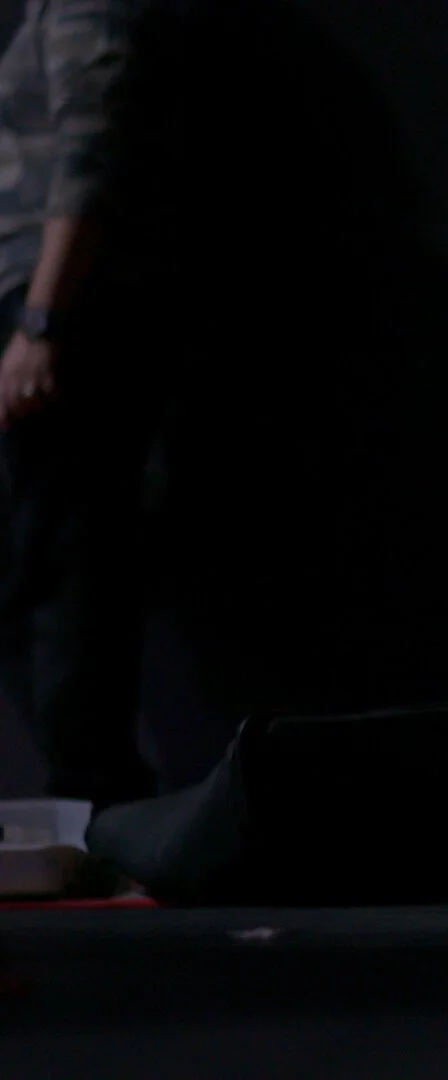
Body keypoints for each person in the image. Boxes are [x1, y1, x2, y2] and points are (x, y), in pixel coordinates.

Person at [0, 0, 158, 809]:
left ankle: (94, 802)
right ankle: (86, 799)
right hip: (34, 305)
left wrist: (43, 320)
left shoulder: (79, 4)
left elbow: (92, 152)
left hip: (59, 309)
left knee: (66, 564)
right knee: (35, 564)